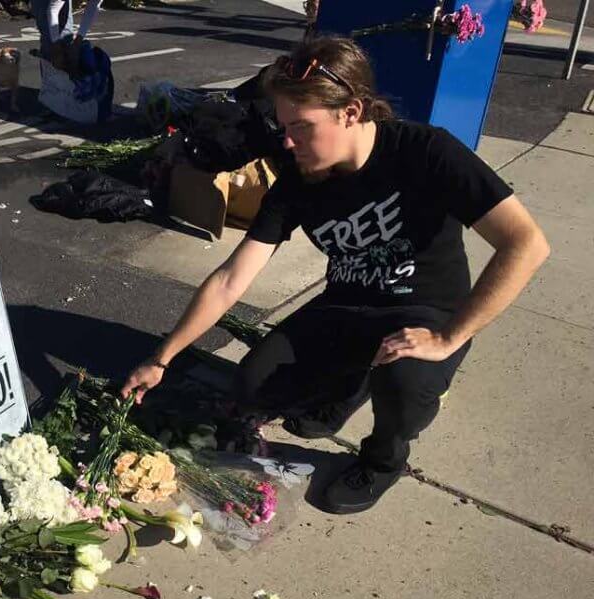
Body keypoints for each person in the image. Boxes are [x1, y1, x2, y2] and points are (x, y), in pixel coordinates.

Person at [120, 36, 549, 514]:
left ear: (351, 111)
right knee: (251, 388)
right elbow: (230, 280)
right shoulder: (299, 181)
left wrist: (450, 336)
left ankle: (384, 459)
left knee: (405, 384)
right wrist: (162, 358)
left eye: (301, 127)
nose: (287, 141)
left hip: (424, 310)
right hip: (345, 308)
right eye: (283, 126)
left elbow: (526, 244)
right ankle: (349, 386)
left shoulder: (426, 151)